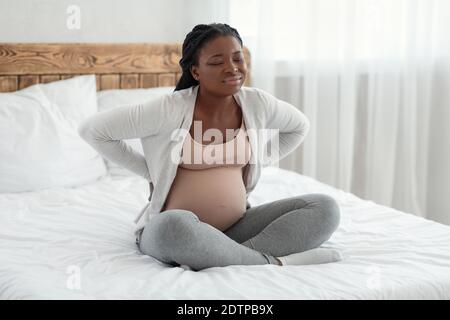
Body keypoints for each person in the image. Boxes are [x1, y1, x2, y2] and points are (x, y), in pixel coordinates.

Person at [78, 23, 343, 271]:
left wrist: (260, 158)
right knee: (175, 226)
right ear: (195, 71)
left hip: (237, 227)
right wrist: (150, 172)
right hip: (174, 229)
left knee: (324, 207)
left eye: (237, 58)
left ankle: (229, 255)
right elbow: (94, 131)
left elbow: (299, 127)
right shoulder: (169, 109)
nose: (232, 68)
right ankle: (274, 263)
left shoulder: (256, 103)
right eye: (217, 62)